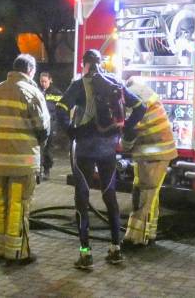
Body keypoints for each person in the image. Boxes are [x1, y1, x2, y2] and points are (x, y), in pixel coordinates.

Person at [56, 49, 146, 270]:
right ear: (101, 64)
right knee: (110, 196)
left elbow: (60, 108)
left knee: (82, 199)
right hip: (108, 149)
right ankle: (116, 249)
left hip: (85, 149)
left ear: (85, 65)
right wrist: (126, 130)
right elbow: (140, 107)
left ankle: (85, 254)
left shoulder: (79, 85)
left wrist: (71, 131)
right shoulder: (115, 82)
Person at [0, 54, 50, 264]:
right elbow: (43, 128)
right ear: (30, 70)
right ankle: (17, 252)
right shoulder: (31, 91)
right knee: (19, 205)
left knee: (1, 203)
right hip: (22, 162)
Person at [121, 78, 178, 246]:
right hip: (157, 151)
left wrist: (123, 146)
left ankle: (136, 238)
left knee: (144, 194)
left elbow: (128, 131)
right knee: (151, 193)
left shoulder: (128, 101)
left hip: (153, 153)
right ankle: (150, 233)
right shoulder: (139, 90)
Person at [38, 71, 63, 180]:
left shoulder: (57, 93)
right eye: (41, 81)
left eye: (45, 81)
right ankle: (37, 170)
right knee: (39, 148)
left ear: (50, 80)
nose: (43, 83)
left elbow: (61, 109)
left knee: (48, 148)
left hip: (52, 124)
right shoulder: (38, 92)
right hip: (39, 124)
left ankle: (46, 170)